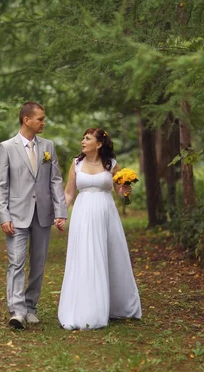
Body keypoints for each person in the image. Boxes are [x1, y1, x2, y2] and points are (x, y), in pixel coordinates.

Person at [58, 128, 142, 330]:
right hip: (83, 213)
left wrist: (125, 191)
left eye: (87, 138)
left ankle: (116, 306)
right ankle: (86, 308)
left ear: (99, 144)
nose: (83, 141)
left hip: (106, 214)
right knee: (86, 256)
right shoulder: (76, 163)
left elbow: (120, 192)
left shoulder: (111, 164)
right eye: (83, 137)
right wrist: (61, 214)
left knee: (112, 256)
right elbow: (69, 193)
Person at [0, 102, 67, 330]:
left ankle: (31, 307)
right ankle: (16, 311)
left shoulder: (48, 147)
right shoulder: (6, 147)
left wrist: (61, 212)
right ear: (27, 120)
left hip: (43, 215)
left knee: (38, 263)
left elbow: (55, 180)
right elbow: (1, 185)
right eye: (40, 119)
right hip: (16, 215)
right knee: (16, 262)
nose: (43, 122)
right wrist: (3, 216)